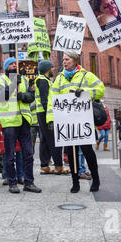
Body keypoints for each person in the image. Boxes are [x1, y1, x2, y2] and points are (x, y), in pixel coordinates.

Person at [47, 51, 105, 193]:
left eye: (67, 59)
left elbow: (101, 89)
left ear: (74, 60)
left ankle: (96, 179)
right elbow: (51, 100)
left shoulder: (87, 75)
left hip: (83, 120)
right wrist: (51, 119)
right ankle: (75, 182)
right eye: (64, 60)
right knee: (71, 152)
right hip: (66, 121)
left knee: (87, 150)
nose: (64, 62)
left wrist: (85, 91)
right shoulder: (59, 78)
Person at [0, 58, 42, 194]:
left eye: (15, 63)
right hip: (9, 122)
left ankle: (29, 182)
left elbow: (32, 96)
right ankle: (12, 182)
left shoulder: (24, 80)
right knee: (10, 156)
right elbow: (3, 96)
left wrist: (23, 96)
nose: (14, 65)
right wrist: (15, 82)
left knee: (28, 154)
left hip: (24, 121)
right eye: (11, 64)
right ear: (6, 67)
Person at [35, 60, 69, 175]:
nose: (53, 70)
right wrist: (51, 115)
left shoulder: (43, 80)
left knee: (45, 140)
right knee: (53, 139)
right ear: (46, 69)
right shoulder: (43, 81)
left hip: (42, 113)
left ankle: (44, 166)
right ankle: (58, 166)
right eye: (51, 68)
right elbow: (45, 100)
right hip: (46, 113)